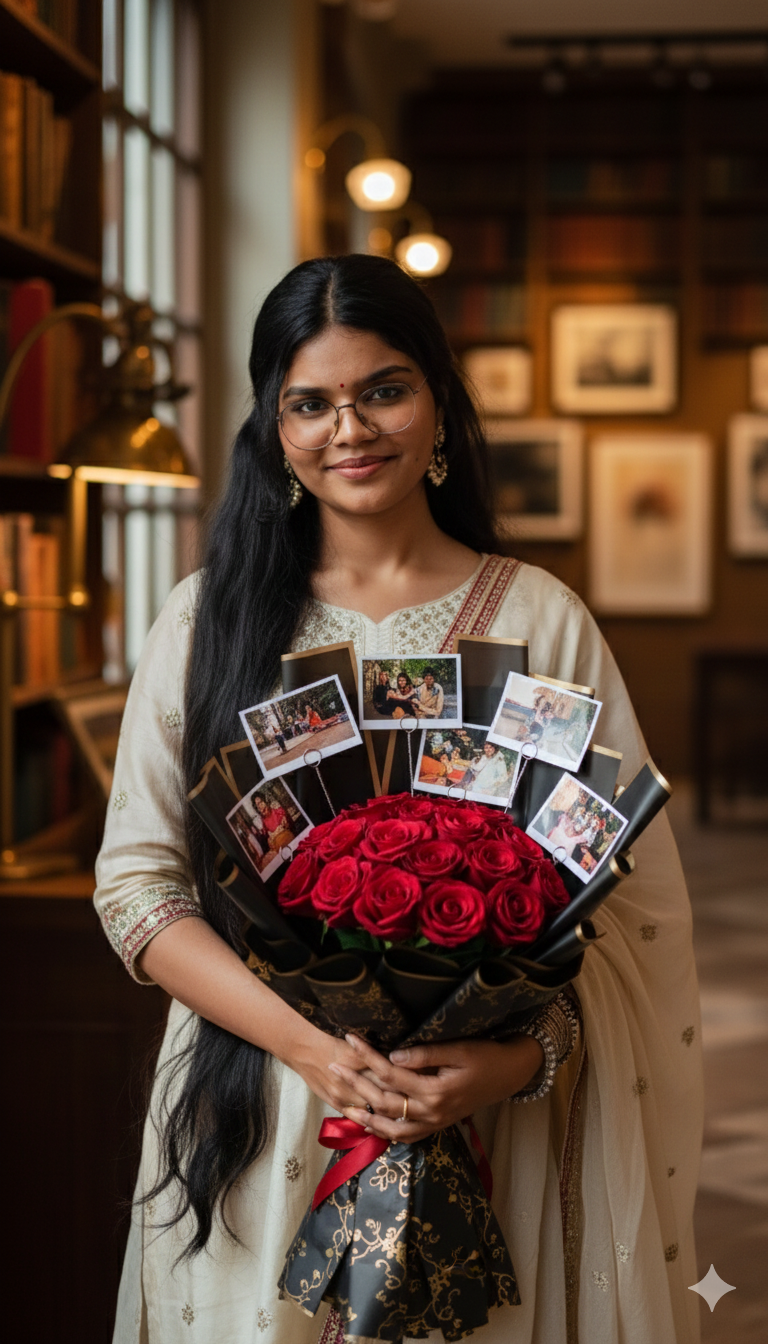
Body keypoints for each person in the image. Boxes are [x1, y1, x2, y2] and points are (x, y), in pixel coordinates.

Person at [94, 254, 702, 1344]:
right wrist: (317, 1054)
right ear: (274, 426)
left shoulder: (539, 619)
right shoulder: (207, 620)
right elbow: (141, 888)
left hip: (487, 1117)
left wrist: (505, 1064)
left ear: (439, 402)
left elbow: (618, 915)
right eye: (310, 403)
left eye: (383, 390)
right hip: (262, 1106)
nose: (350, 429)